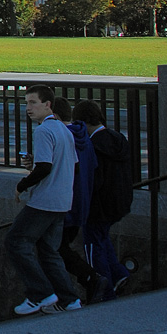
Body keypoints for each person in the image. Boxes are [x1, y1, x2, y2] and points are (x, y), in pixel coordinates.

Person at [8, 85, 82, 315]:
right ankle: (69, 299)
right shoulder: (63, 129)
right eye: (26, 103)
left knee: (16, 242)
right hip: (62, 200)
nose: (28, 108)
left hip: (45, 201)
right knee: (49, 250)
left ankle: (40, 293)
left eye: (33, 103)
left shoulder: (42, 131)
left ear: (48, 104)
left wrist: (22, 185)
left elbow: (44, 168)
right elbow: (71, 164)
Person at [52, 96, 109, 303]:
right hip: (81, 204)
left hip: (65, 204)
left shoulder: (62, 138)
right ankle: (89, 282)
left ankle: (88, 279)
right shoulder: (84, 137)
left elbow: (59, 171)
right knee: (58, 247)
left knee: (50, 248)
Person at [76, 99, 134, 298]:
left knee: (93, 247)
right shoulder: (118, 139)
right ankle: (118, 275)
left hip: (98, 207)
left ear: (83, 123)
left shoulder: (92, 147)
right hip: (120, 202)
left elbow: (93, 181)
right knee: (102, 239)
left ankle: (104, 291)